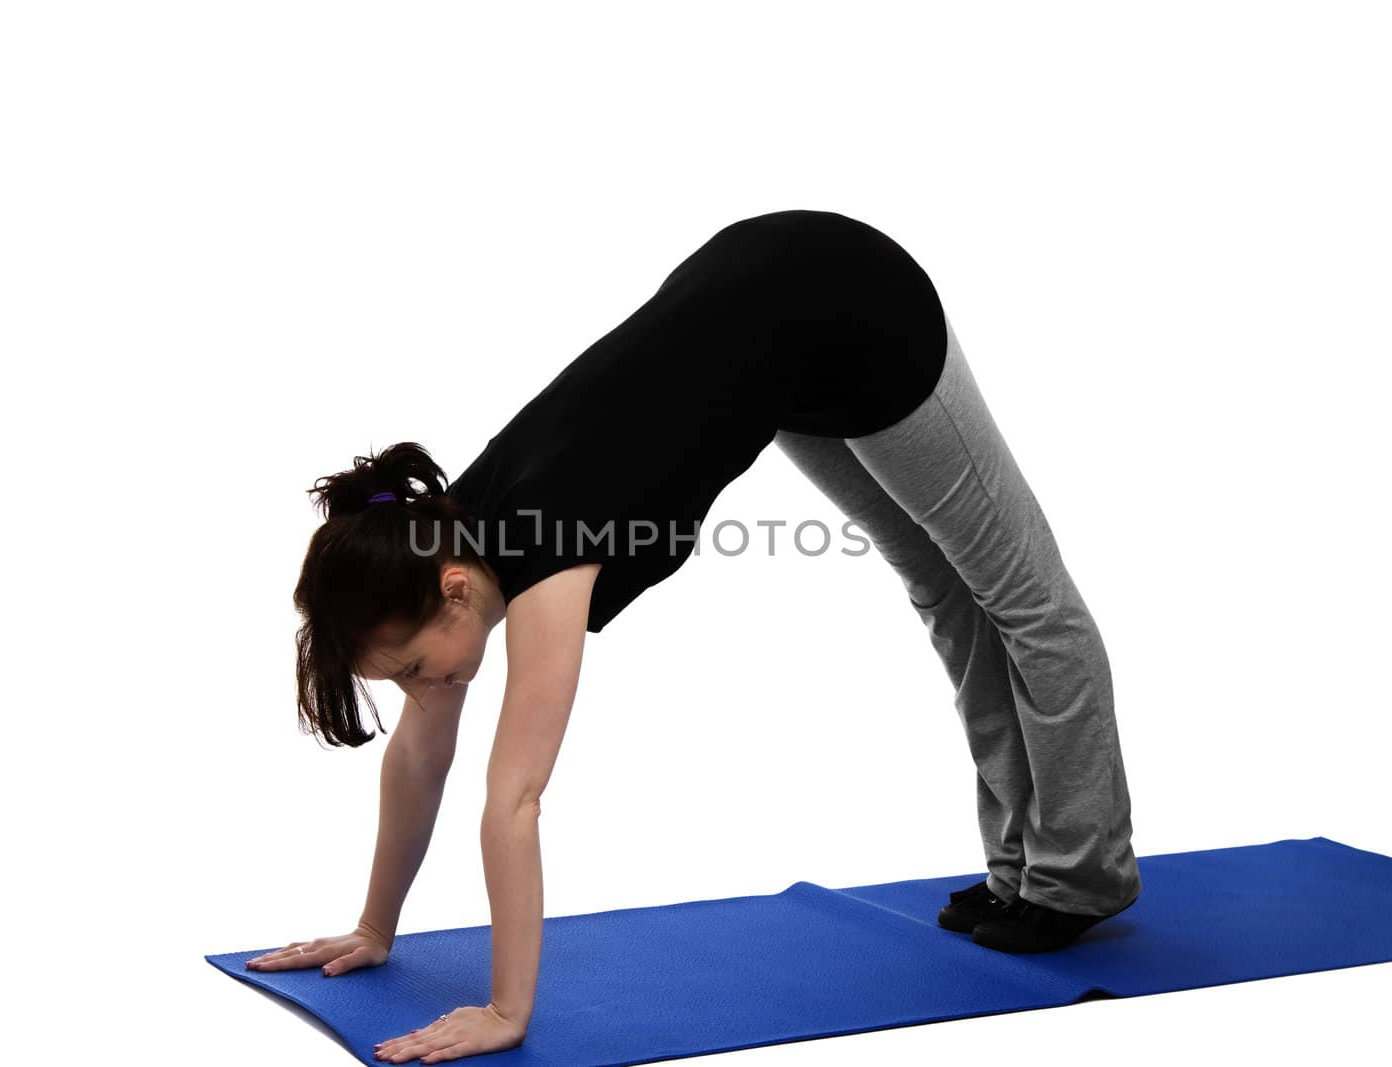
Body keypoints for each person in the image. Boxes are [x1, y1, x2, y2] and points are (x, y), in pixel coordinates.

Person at [245, 209, 1142, 1064]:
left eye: (409, 668)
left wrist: (508, 1009)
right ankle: (1022, 866)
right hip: (779, 332)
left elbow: (514, 798)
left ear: (448, 593)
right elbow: (420, 757)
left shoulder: (548, 553)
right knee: (947, 592)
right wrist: (374, 927)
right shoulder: (449, 538)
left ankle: (1079, 875)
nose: (420, 692)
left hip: (852, 303)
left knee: (1023, 599)